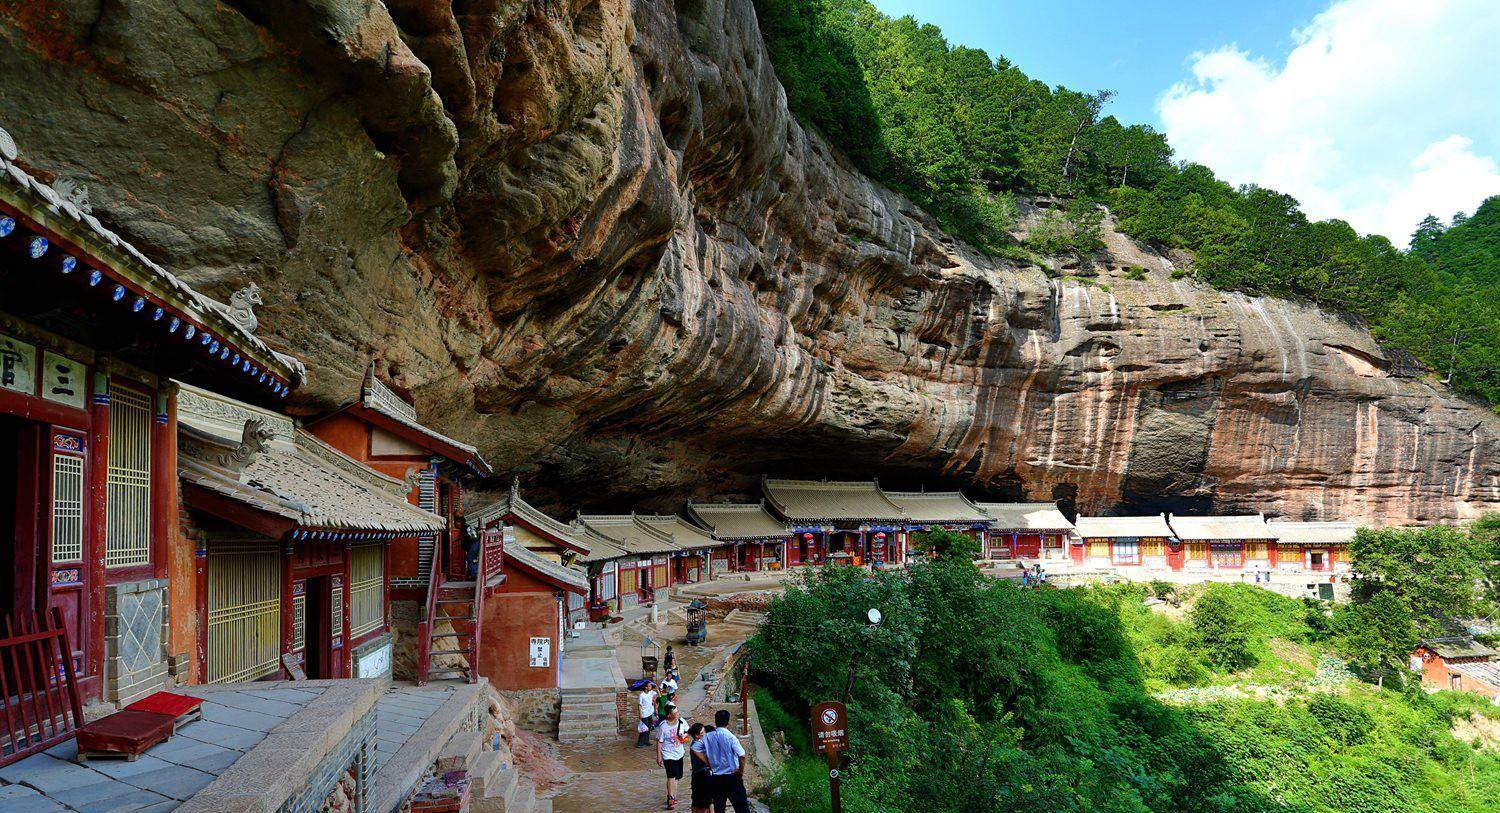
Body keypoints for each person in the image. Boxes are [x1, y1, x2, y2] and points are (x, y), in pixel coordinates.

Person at [690, 709, 749, 813]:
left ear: (715, 721)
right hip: (732, 776)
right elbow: (742, 756)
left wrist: (708, 762)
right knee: (741, 807)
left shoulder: (708, 736)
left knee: (719, 808)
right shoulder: (731, 737)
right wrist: (740, 771)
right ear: (728, 722)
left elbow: (695, 748)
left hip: (716, 778)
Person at [656, 704, 690, 809]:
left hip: (679, 753)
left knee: (677, 777)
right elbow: (659, 742)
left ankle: (673, 796)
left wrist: (684, 736)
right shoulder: (663, 726)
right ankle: (671, 798)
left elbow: (688, 731)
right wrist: (659, 756)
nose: (678, 714)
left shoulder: (681, 721)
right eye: (675, 712)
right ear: (669, 715)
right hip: (668, 754)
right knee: (671, 776)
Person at [687, 723, 712, 813]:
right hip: (701, 777)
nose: (705, 733)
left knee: (706, 801)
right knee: (702, 803)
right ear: (697, 735)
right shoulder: (697, 747)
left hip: (700, 775)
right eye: (703, 732)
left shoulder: (698, 744)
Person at [636, 681, 658, 747]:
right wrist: (640, 714)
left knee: (649, 727)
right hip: (644, 714)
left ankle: (646, 741)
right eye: (650, 686)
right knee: (644, 729)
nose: (651, 687)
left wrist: (656, 687)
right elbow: (639, 705)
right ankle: (640, 743)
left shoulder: (651, 693)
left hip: (650, 713)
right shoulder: (641, 695)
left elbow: (658, 695)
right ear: (646, 687)